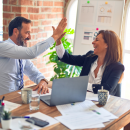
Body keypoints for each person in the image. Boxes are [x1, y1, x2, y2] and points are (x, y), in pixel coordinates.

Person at [0, 16, 67, 95]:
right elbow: (31, 53)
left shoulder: (21, 54)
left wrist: (42, 80)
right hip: (4, 101)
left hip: (18, 98)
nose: (29, 37)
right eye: (27, 33)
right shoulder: (3, 47)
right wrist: (54, 36)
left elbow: (33, 73)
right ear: (16, 31)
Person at [55, 30, 124, 96]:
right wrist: (58, 41)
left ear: (107, 45)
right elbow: (67, 58)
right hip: (82, 100)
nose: (93, 42)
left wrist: (82, 84)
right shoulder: (90, 57)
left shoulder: (117, 67)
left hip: (103, 105)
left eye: (97, 40)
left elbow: (107, 89)